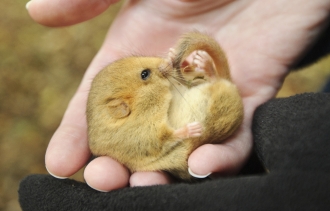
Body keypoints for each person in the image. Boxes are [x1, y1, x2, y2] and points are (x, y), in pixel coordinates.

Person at [26, 0, 330, 192]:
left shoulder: (150, 101)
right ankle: (213, 81)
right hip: (182, 144)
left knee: (193, 93)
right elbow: (152, 139)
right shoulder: (127, 135)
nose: (158, 65)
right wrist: (180, 131)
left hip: (199, 114)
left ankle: (212, 79)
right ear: (122, 108)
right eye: (145, 75)